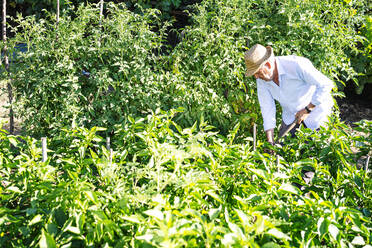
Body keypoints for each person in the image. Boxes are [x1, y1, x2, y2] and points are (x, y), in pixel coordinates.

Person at [244, 44, 334, 144]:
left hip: (316, 115)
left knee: (317, 151)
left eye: (258, 72)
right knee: (281, 150)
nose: (256, 77)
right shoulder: (262, 79)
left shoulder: (296, 65)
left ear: (268, 65)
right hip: (291, 117)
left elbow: (326, 84)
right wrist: (270, 140)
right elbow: (267, 107)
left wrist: (308, 109)